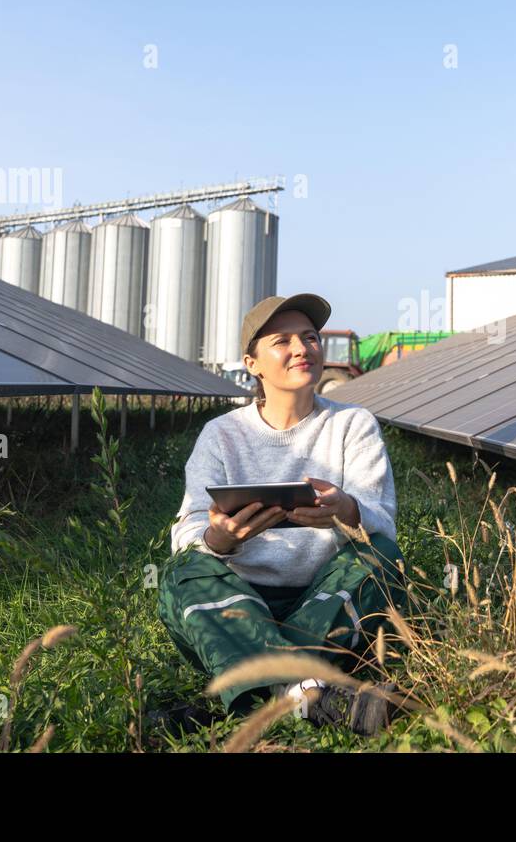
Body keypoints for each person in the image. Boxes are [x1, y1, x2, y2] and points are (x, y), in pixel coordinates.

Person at [156, 292, 407, 736]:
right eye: (282, 341)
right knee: (180, 573)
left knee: (381, 557)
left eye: (310, 338)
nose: (301, 349)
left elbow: (381, 522)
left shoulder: (353, 424)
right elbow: (188, 528)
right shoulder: (221, 435)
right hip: (239, 599)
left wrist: (348, 511)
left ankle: (248, 695)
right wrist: (220, 539)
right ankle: (305, 694)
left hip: (325, 597)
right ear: (252, 363)